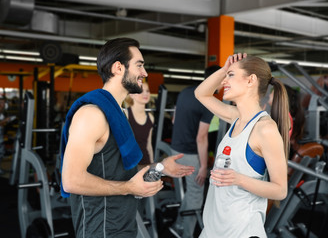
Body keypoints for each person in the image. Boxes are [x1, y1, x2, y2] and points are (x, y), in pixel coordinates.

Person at [60, 37, 195, 238]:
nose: (145, 73)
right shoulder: (92, 115)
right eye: (139, 65)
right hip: (101, 229)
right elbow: (71, 180)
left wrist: (159, 167)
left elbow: (118, 170)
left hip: (124, 223)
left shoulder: (119, 113)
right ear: (118, 68)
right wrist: (128, 188)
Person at [195, 53, 290, 238]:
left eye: (231, 75)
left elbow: (280, 190)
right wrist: (224, 69)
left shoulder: (265, 129)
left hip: (242, 232)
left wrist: (238, 179)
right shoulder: (235, 116)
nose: (224, 82)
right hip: (213, 230)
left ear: (250, 80)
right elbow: (201, 93)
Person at [169, 65, 219, 238]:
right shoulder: (208, 102)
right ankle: (187, 235)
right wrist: (204, 166)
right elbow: (201, 138)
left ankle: (178, 225)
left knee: (191, 192)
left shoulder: (185, 92)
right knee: (197, 196)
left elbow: (175, 120)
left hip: (174, 151)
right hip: (190, 155)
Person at [124, 81, 154, 169]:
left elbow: (148, 144)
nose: (145, 93)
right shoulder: (126, 114)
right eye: (141, 91)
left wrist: (152, 165)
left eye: (147, 91)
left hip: (146, 163)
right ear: (132, 95)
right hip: (130, 165)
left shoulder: (150, 118)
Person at [0, 98, 13, 175]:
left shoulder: (1, 111)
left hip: (0, 131)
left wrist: (6, 121)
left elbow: (0, 123)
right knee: (0, 151)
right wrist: (5, 120)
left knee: (0, 150)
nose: (4, 104)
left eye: (4, 103)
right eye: (2, 103)